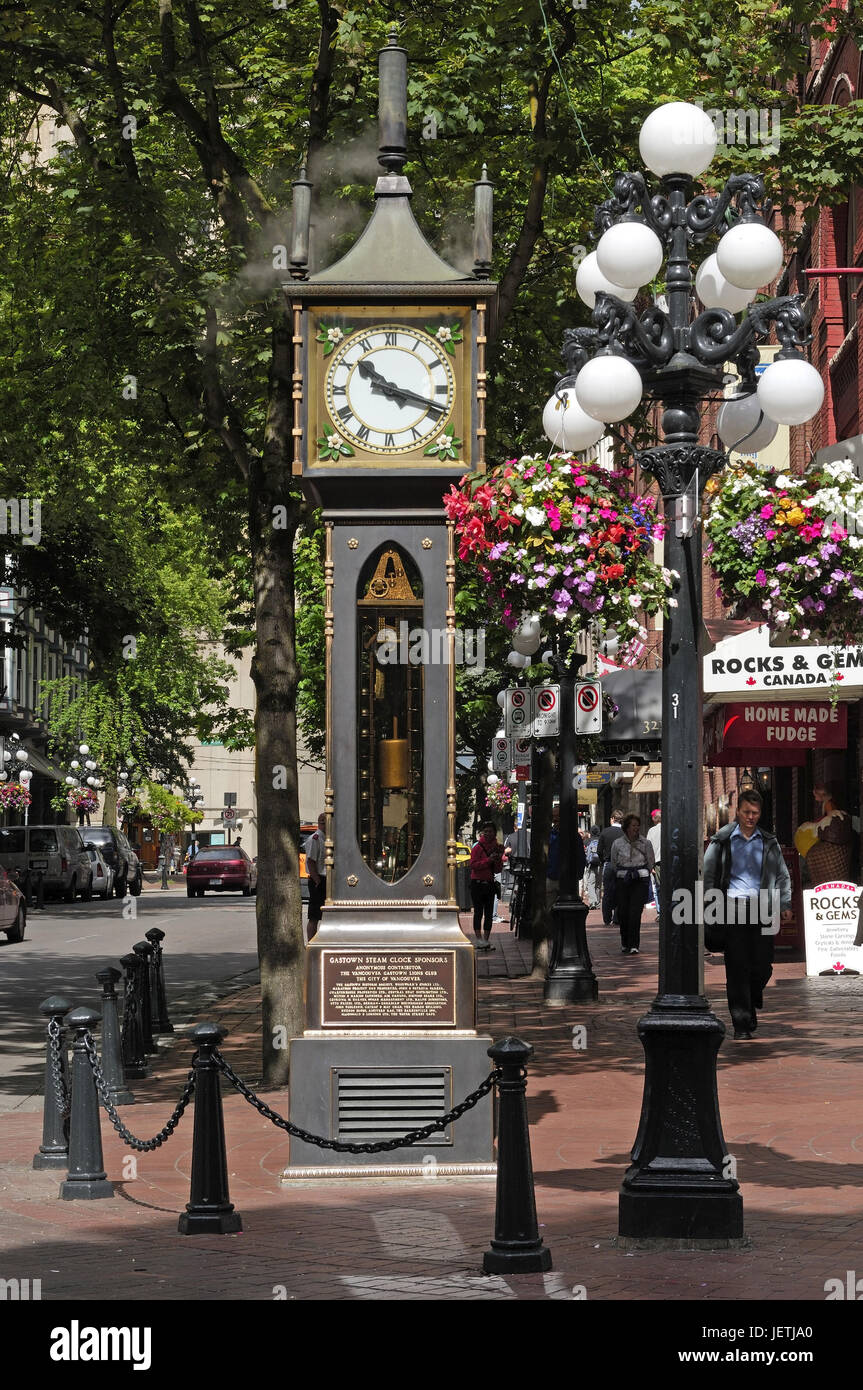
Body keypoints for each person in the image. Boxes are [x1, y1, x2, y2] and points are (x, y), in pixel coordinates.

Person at [703, 787, 792, 1040]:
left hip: (763, 907)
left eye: (755, 813)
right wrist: (710, 905)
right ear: (737, 811)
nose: (750, 817)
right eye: (746, 812)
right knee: (737, 966)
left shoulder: (768, 841)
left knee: (763, 965)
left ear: (760, 813)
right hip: (732, 907)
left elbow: (782, 876)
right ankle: (741, 1022)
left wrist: (784, 904)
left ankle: (752, 997)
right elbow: (709, 874)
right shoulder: (722, 840)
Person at [609, 813, 654, 954]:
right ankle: (625, 942)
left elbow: (650, 861)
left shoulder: (645, 843)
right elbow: (614, 863)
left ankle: (634, 944)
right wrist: (623, 874)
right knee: (623, 912)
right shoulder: (617, 843)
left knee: (635, 912)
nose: (636, 828)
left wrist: (641, 872)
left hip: (639, 881)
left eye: (637, 825)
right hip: (623, 880)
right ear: (627, 827)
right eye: (633, 825)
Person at [470, 822, 504, 949]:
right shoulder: (477, 847)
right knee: (478, 912)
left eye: (490, 831)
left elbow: (497, 870)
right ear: (482, 833)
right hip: (477, 884)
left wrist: (497, 860)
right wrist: (487, 861)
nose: (488, 834)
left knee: (489, 913)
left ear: (494, 833)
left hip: (489, 884)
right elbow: (473, 865)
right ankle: (478, 940)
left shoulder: (497, 847)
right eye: (486, 831)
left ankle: (486, 940)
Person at [597, 811, 624, 926]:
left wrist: (604, 860)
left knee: (607, 892)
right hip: (622, 865)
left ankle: (607, 918)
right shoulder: (625, 832)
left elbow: (599, 850)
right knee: (621, 891)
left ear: (612, 819)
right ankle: (617, 917)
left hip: (608, 864)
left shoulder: (605, 832)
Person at [305, 813, 327, 940]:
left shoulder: (327, 838)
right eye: (323, 822)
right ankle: (311, 943)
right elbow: (310, 861)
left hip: (326, 879)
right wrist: (317, 881)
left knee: (326, 915)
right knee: (314, 915)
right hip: (318, 879)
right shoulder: (316, 838)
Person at [646, 808, 662, 911]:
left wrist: (650, 865)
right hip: (670, 862)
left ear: (654, 819)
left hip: (657, 864)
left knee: (659, 887)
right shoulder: (669, 827)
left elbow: (648, 849)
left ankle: (660, 911)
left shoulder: (651, 831)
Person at [583, 823, 601, 909]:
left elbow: (585, 853)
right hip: (600, 864)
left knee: (591, 883)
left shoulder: (587, 841)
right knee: (598, 884)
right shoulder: (601, 840)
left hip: (591, 865)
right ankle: (597, 901)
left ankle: (592, 902)